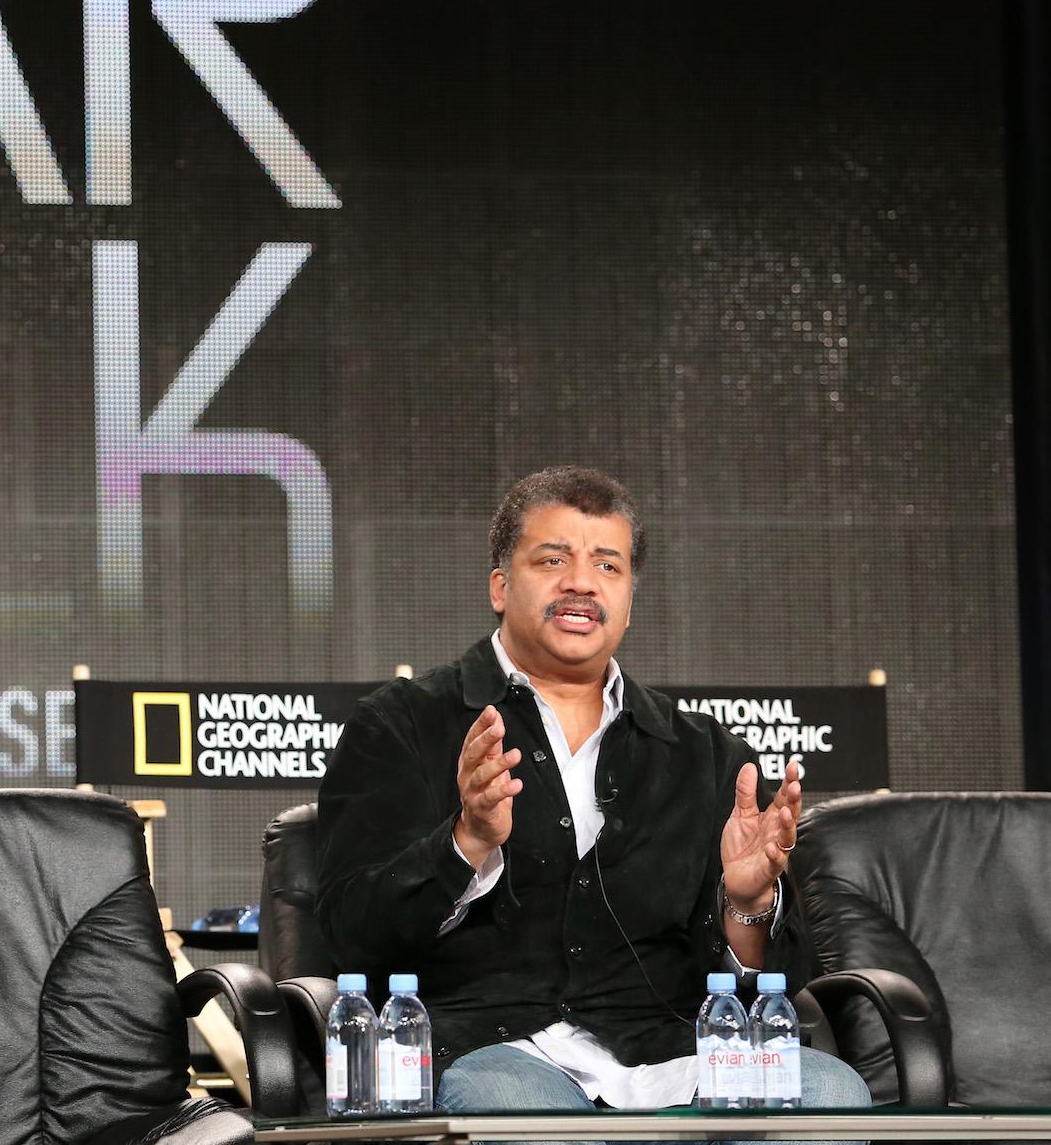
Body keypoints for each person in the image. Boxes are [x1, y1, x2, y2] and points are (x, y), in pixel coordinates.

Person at [316, 466, 870, 1120]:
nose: (581, 581)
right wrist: (464, 843)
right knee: (519, 1107)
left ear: (630, 601)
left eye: (608, 566)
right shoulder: (404, 723)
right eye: (553, 559)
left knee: (833, 1092)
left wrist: (747, 904)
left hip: (667, 1053)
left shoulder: (706, 755)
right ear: (499, 585)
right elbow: (350, 931)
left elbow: (779, 973)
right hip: (490, 1050)